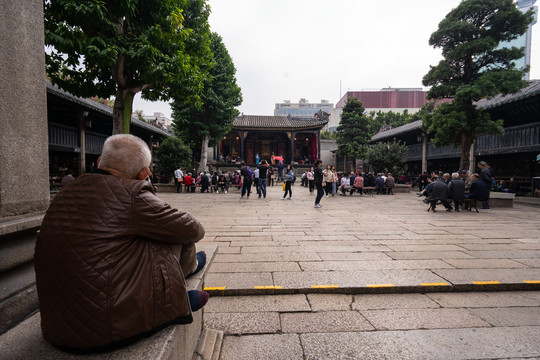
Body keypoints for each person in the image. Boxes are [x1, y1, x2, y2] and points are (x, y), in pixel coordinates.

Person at [34, 134, 208, 351]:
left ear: (99, 162)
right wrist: (147, 190)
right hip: (106, 326)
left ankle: (186, 274)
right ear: (144, 173)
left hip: (57, 323)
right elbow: (194, 229)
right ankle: (174, 295)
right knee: (169, 233)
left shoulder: (67, 190)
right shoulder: (132, 194)